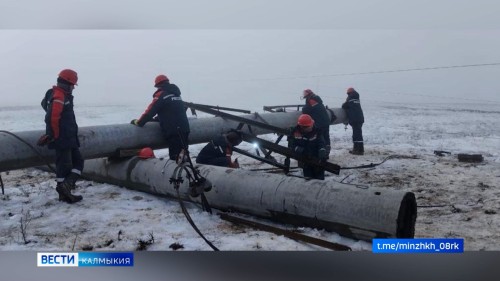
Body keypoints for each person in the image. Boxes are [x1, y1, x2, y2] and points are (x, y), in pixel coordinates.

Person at [38, 69, 83, 204]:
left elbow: (44, 105)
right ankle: (65, 189)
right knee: (68, 164)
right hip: (62, 138)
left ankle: (65, 190)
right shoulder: (59, 96)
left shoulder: (57, 94)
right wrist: (54, 135)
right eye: (73, 85)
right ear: (67, 83)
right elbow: (52, 117)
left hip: (67, 137)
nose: (73, 88)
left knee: (74, 162)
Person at [131, 74, 190, 162]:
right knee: (184, 156)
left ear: (158, 85)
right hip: (185, 129)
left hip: (174, 131)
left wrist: (139, 122)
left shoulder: (161, 94)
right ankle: (189, 174)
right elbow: (172, 111)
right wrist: (157, 119)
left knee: (175, 159)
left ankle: (178, 174)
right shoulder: (176, 94)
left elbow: (150, 111)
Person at [289, 114, 328, 180]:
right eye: (309, 126)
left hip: (317, 159)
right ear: (302, 127)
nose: (311, 127)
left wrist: (322, 149)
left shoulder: (317, 131)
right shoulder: (295, 132)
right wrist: (300, 150)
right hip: (305, 159)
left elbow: (321, 142)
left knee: (319, 179)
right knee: (308, 179)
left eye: (311, 125)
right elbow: (291, 145)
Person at [301, 89, 331, 158]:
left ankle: (322, 155)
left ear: (307, 95)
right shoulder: (317, 99)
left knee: (320, 139)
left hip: (319, 123)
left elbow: (305, 110)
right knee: (326, 137)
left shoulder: (310, 100)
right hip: (326, 122)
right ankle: (326, 154)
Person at [342, 87, 365, 155]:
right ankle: (356, 149)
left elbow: (344, 106)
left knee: (357, 135)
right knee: (357, 134)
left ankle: (360, 150)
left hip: (355, 119)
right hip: (359, 118)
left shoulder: (350, 98)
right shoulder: (356, 98)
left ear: (349, 93)